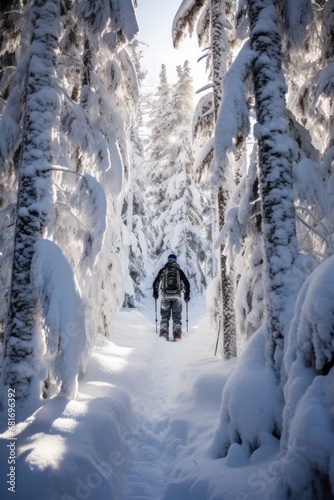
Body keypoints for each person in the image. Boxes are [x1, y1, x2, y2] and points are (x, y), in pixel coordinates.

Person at [153, 254, 190, 341]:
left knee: (165, 316)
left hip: (165, 296)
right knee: (177, 316)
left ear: (168, 260)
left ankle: (163, 333)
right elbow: (187, 284)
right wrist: (186, 295)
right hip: (177, 297)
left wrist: (156, 293)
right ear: (175, 260)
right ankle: (177, 334)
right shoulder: (179, 271)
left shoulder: (164, 270)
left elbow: (156, 283)